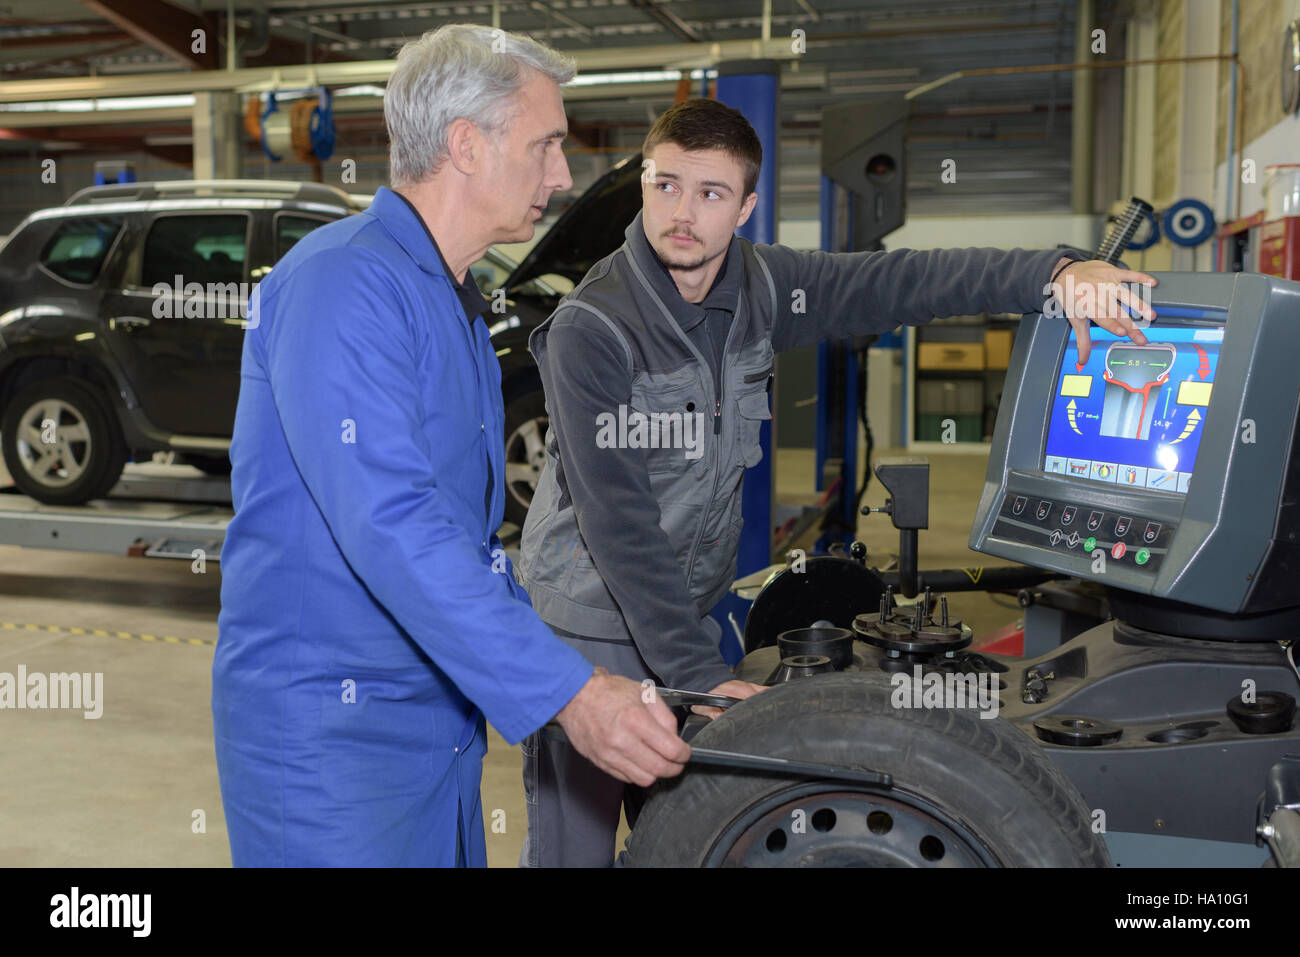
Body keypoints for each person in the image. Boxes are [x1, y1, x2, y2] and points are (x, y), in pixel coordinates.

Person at [516, 97, 1155, 867]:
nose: (682, 214)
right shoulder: (596, 326)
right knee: (575, 847)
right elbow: (618, 523)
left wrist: (1053, 273)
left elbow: (903, 281)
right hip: (589, 620)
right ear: (645, 185)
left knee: (695, 827)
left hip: (683, 602)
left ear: (746, 206)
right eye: (667, 186)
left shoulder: (762, 287)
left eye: (711, 193)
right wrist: (701, 678)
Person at [210, 24, 690, 868]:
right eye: (545, 145)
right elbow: (392, 525)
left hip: (436, 732)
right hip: (333, 747)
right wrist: (569, 693)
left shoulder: (452, 298)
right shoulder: (344, 284)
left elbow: (468, 547)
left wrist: (574, 671)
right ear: (467, 145)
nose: (562, 175)